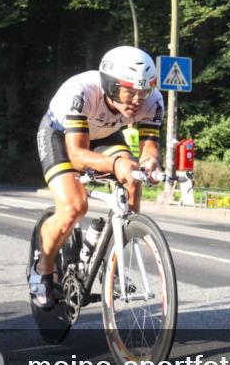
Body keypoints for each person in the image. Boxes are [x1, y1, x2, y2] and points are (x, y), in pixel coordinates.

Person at [30, 46, 164, 309]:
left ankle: (112, 260)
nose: (137, 100)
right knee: (74, 206)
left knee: (133, 179)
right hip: (61, 136)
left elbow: (149, 146)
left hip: (105, 135)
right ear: (110, 85)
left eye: (144, 91)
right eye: (130, 91)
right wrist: (115, 164)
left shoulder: (153, 100)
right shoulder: (81, 91)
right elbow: (77, 155)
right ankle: (42, 268)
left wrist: (150, 161)